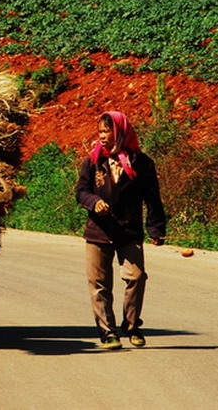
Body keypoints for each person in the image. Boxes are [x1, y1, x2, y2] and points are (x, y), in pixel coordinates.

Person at [76, 111, 166, 350]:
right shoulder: (94, 161)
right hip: (98, 231)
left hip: (129, 231)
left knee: (136, 277)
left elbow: (153, 199)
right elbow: (81, 191)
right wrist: (93, 202)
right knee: (99, 283)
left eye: (107, 131)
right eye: (101, 132)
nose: (103, 137)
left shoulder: (142, 163)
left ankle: (132, 325)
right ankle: (107, 332)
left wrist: (156, 229)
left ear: (120, 133)